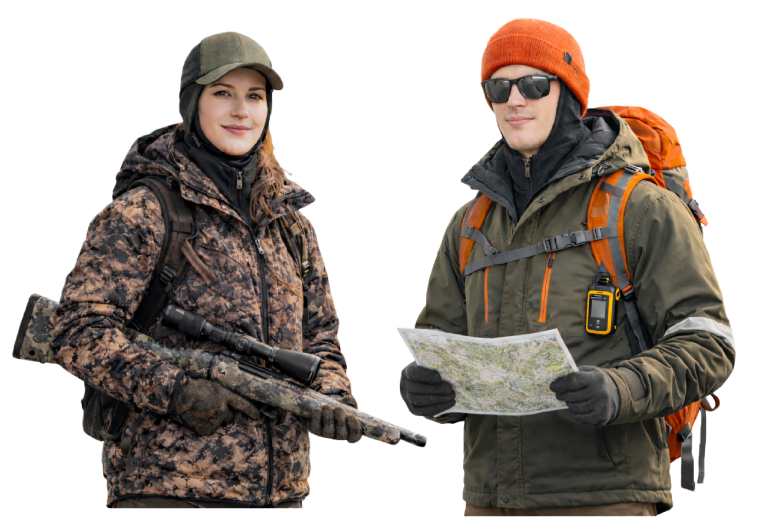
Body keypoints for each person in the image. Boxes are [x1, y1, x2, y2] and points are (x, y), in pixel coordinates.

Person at [398, 18, 735, 517]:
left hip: (605, 499)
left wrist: (620, 389)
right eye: (498, 87)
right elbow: (443, 341)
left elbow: (710, 342)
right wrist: (430, 389)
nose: (515, 100)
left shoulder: (639, 209)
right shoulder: (468, 225)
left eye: (534, 84)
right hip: (488, 500)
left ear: (570, 94)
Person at [50, 31, 361, 510]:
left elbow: (320, 335)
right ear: (192, 103)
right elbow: (78, 330)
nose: (241, 111)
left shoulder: (290, 225)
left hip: (280, 495)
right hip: (170, 491)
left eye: (254, 97)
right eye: (223, 94)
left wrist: (332, 396)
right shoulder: (147, 211)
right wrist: (177, 391)